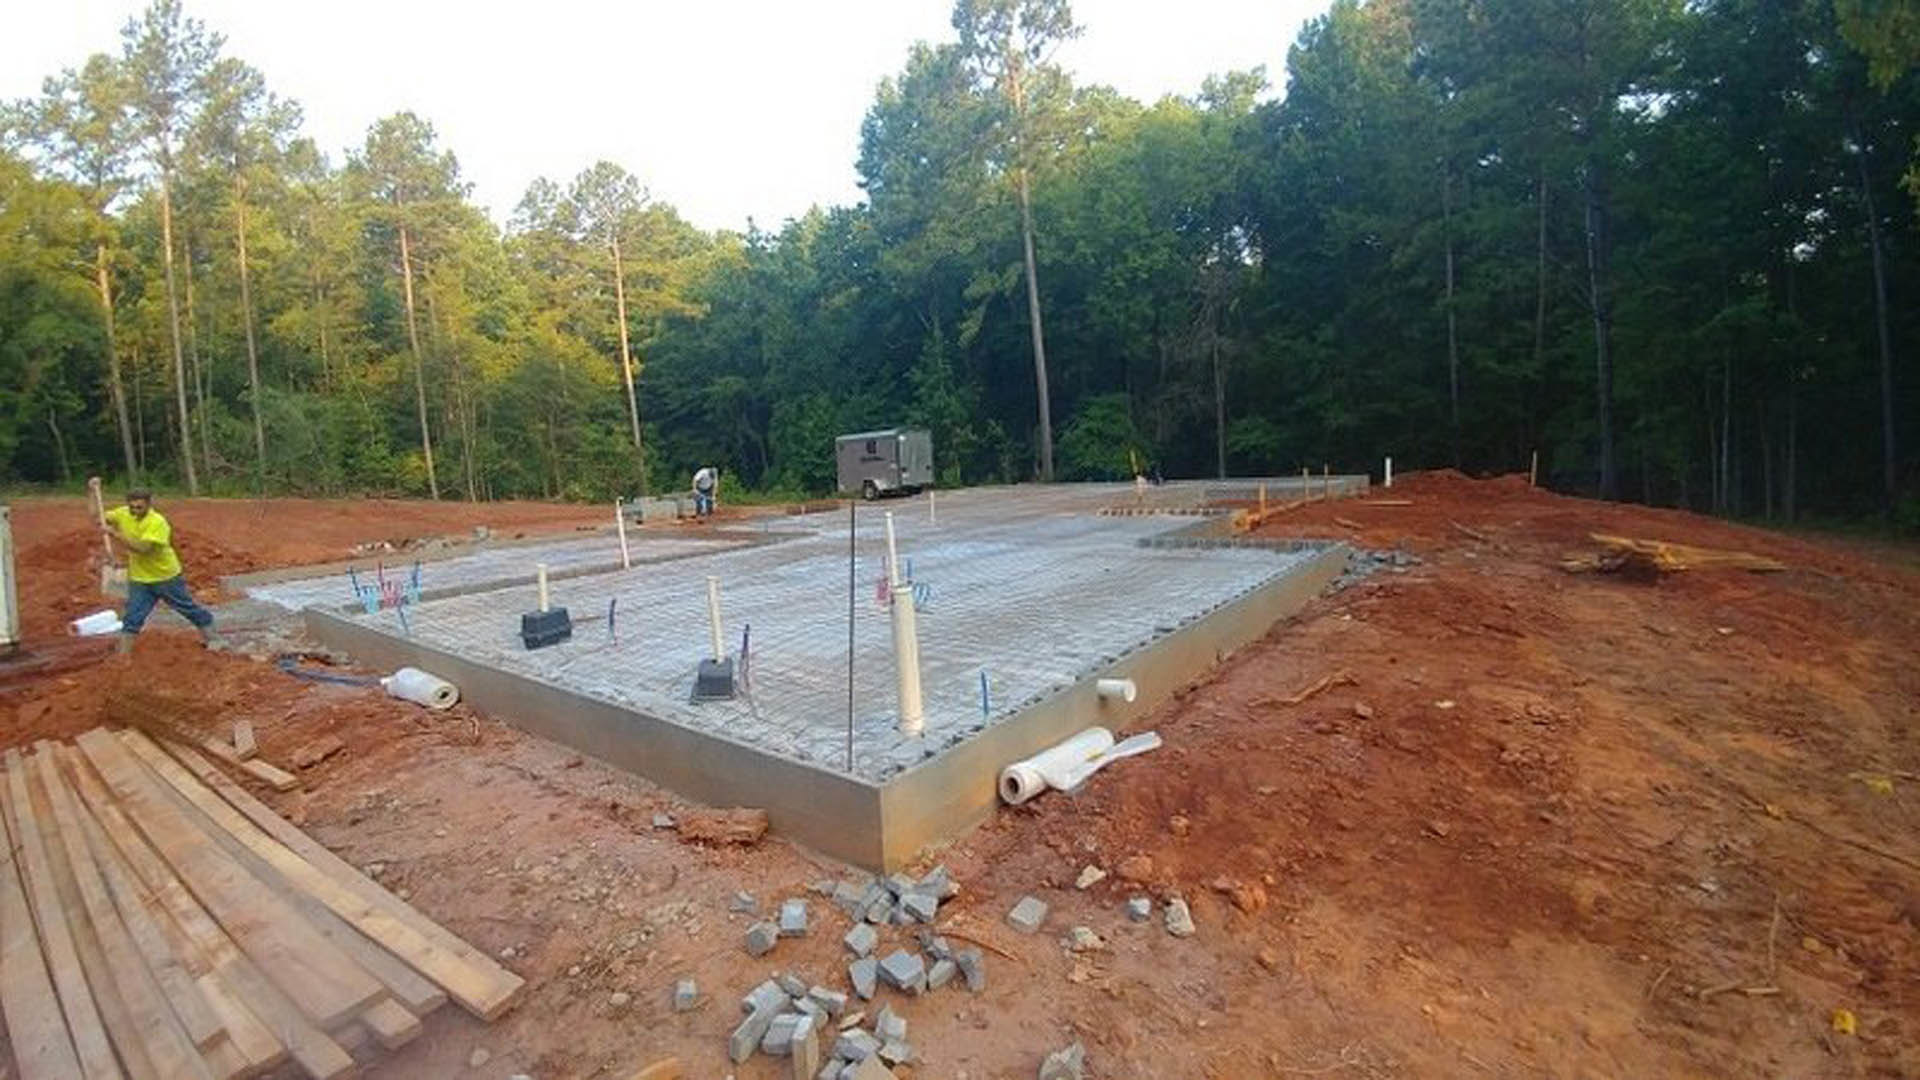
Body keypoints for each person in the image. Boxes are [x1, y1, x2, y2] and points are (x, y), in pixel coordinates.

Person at [101, 487, 219, 653]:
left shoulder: (157, 522)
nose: (135, 510)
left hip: (165, 576)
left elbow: (143, 548)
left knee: (187, 608)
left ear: (149, 504)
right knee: (133, 615)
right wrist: (92, 491)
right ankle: (123, 652)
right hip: (140, 578)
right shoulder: (123, 513)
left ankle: (213, 638)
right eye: (132, 507)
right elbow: (97, 516)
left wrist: (115, 534)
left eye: (139, 507)